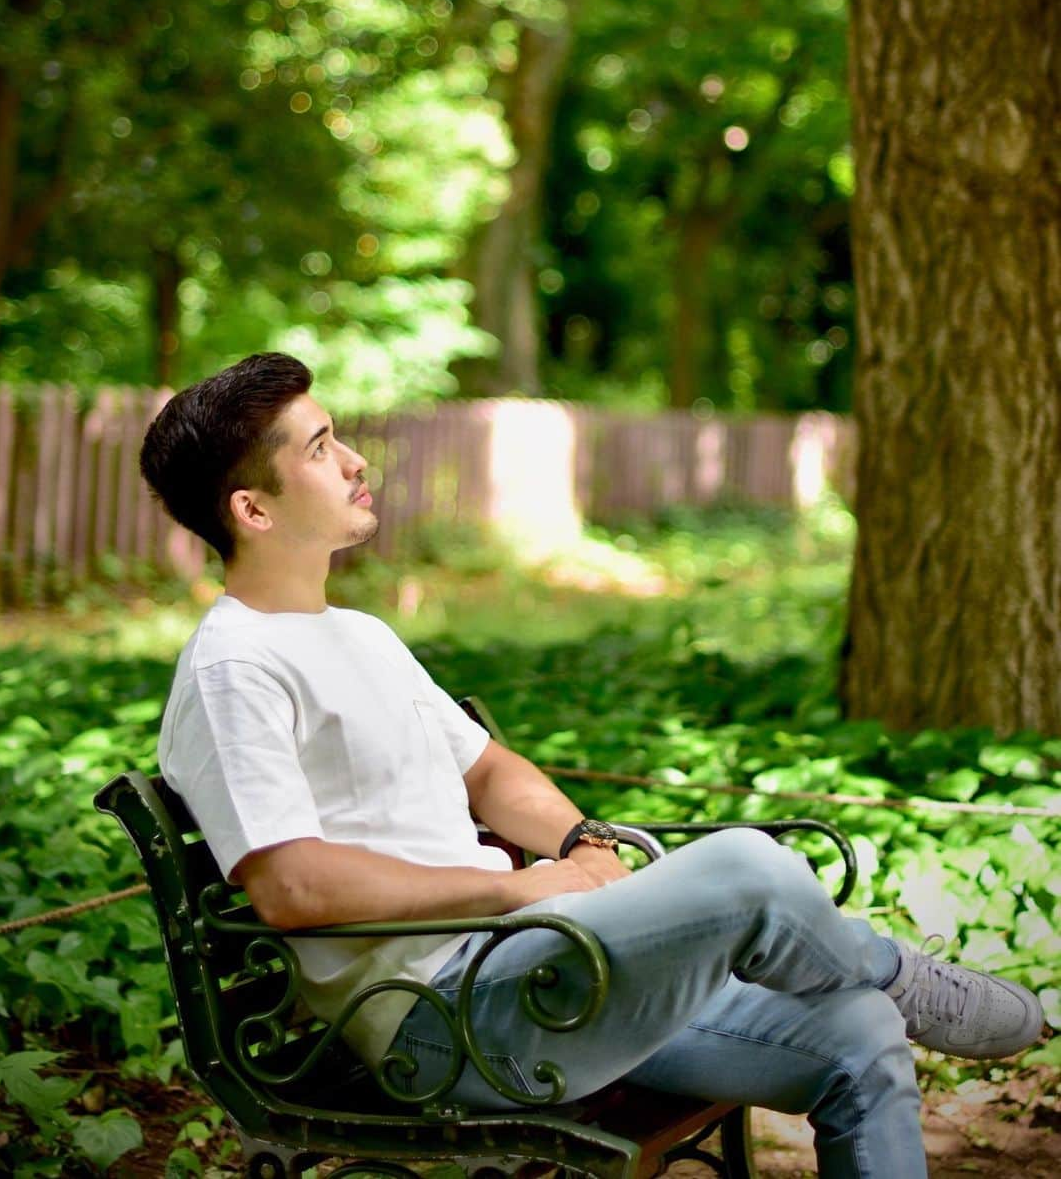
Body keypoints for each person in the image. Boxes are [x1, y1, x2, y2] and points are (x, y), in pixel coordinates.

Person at [141, 352, 1044, 1179]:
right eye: (321, 447)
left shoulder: (357, 635)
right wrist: (514, 891)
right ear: (252, 510)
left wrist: (584, 839)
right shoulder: (235, 669)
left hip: (535, 972)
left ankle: (882, 991)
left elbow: (490, 772)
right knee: (745, 866)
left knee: (859, 1035)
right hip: (440, 1018)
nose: (356, 462)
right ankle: (889, 966)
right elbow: (292, 888)